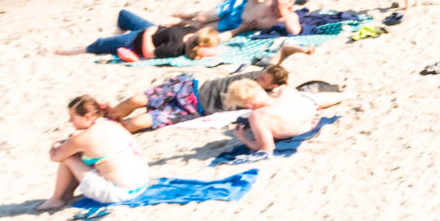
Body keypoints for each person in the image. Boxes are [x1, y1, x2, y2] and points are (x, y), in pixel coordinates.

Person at [107, 48, 307, 132]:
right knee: (135, 100)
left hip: (192, 109)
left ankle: (105, 132)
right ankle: (105, 122)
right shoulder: (262, 74)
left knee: (137, 122)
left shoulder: (263, 97)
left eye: (263, 79)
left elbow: (288, 99)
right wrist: (303, 50)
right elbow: (283, 50)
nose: (258, 77)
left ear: (272, 86)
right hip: (186, 87)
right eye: (261, 75)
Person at [37, 95, 153, 211]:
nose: (70, 121)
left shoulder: (85, 137)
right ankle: (66, 195)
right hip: (141, 183)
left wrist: (56, 144)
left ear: (87, 117)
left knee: (69, 158)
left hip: (122, 193)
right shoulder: (109, 122)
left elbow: (55, 156)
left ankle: (56, 199)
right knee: (80, 155)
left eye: (73, 117)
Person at [55, 10, 220, 61]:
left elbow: (149, 54)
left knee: (99, 44)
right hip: (152, 29)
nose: (199, 28)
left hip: (137, 41)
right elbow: (194, 24)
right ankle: (115, 38)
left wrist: (148, 34)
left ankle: (67, 52)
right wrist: (178, 20)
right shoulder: (192, 33)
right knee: (123, 15)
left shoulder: (176, 48)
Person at [228, 78, 320, 154]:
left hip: (299, 130)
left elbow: (266, 148)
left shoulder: (258, 115)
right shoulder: (285, 90)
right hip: (315, 116)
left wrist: (242, 138)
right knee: (307, 96)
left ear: (249, 105)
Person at [175, 0, 301, 37]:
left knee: (202, 28)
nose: (274, 6)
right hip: (236, 7)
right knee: (202, 18)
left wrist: (282, 9)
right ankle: (188, 15)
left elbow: (294, 31)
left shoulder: (288, 16)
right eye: (274, 3)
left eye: (277, 5)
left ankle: (184, 21)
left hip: (236, 23)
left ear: (288, 7)